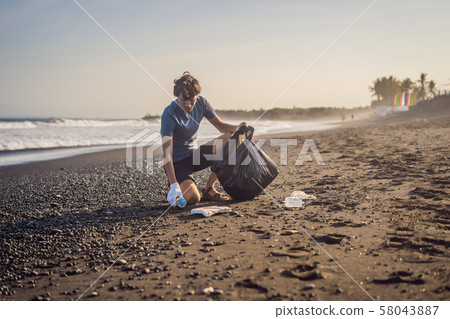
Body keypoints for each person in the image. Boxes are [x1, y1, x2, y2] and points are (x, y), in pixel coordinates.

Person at [160, 72, 246, 207]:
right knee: (193, 198)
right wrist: (173, 185)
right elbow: (167, 155)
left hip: (194, 156)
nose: (188, 105)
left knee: (230, 138)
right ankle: (177, 189)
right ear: (177, 96)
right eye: (184, 101)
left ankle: (209, 188)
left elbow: (222, 127)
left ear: (197, 96)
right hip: (177, 163)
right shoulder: (169, 114)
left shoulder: (202, 103)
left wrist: (239, 127)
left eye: (192, 101)